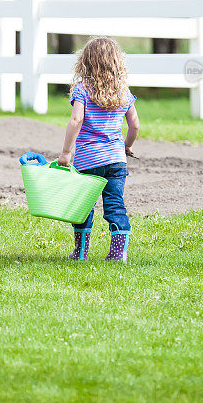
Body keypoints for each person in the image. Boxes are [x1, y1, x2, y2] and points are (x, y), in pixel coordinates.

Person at [57, 37, 140, 263]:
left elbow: (76, 120)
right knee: (115, 204)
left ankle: (80, 252)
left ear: (85, 62)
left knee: (83, 206)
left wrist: (66, 152)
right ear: (117, 62)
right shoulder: (123, 91)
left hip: (89, 162)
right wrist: (127, 146)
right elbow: (135, 125)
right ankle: (117, 253)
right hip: (116, 160)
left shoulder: (83, 90)